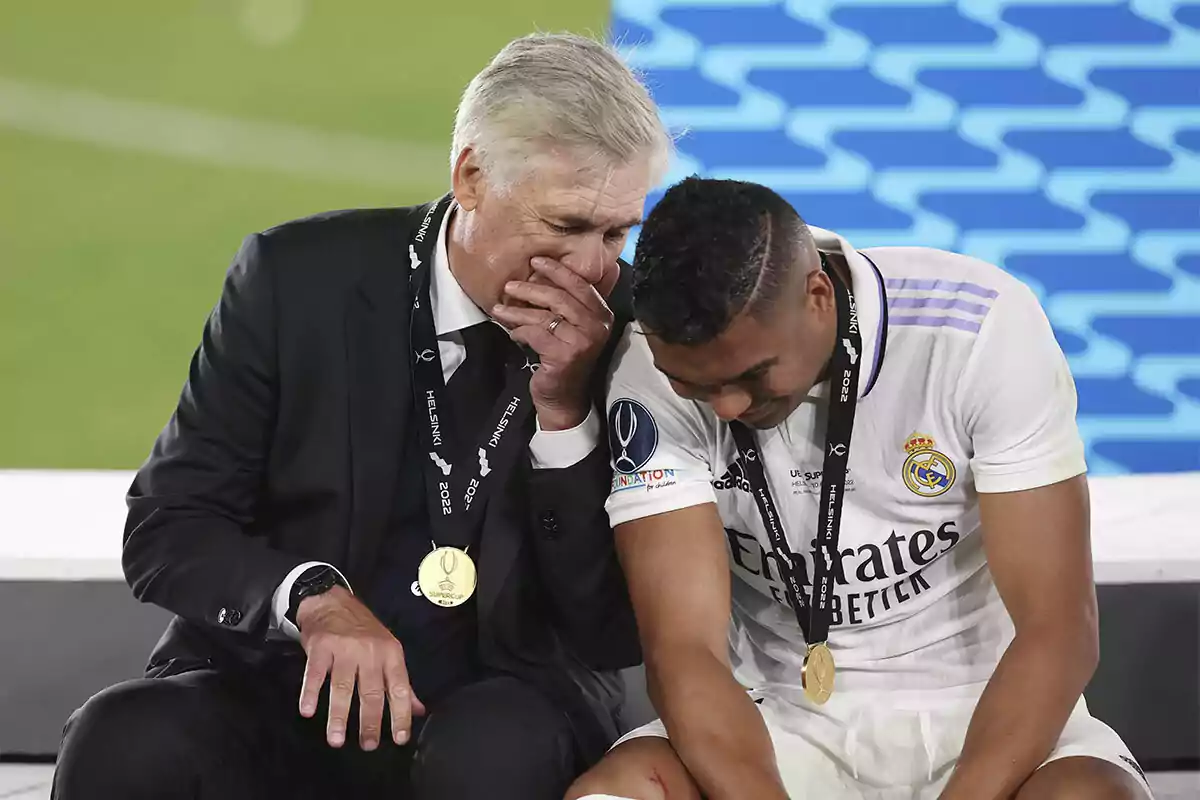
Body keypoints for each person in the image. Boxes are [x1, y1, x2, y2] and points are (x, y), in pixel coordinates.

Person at [52, 33, 671, 800]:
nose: (592, 268)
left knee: (489, 758)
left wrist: (565, 412)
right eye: (566, 228)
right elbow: (171, 523)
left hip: (507, 695)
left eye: (617, 233)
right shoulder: (296, 281)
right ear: (472, 178)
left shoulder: (637, 334)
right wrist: (310, 597)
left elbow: (609, 629)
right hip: (282, 680)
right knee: (127, 737)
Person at [567, 177, 1152, 800]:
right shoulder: (645, 366)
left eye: (752, 375)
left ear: (818, 293)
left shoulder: (977, 328)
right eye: (694, 385)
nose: (729, 405)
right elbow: (683, 652)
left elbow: (1059, 629)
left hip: (984, 714)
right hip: (772, 720)